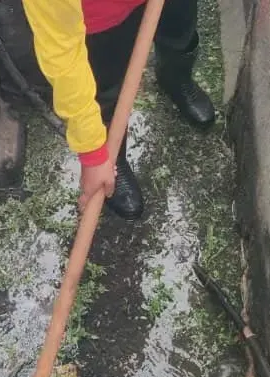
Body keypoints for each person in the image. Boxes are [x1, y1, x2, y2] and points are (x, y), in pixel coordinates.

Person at [21, 0, 215, 221]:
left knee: (179, 33)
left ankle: (176, 79)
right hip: (102, 12)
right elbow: (62, 53)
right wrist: (93, 153)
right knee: (106, 86)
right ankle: (113, 156)